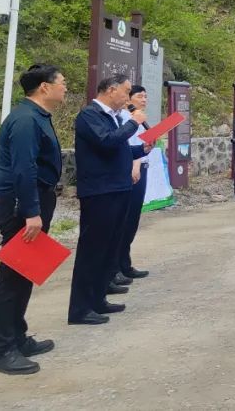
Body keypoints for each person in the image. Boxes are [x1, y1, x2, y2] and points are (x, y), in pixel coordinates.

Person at [0, 64, 66, 375]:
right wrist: (32, 212)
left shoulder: (35, 116)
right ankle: (2, 350)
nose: (65, 86)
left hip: (33, 201)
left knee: (25, 272)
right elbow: (23, 169)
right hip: (21, 206)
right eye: (61, 82)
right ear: (44, 88)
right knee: (12, 278)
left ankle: (17, 337)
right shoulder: (24, 121)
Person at [68, 74, 150, 326]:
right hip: (99, 192)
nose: (128, 98)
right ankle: (80, 308)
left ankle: (98, 298)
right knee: (92, 251)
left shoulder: (111, 117)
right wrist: (134, 123)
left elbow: (118, 149)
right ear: (111, 90)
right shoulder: (90, 115)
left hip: (118, 188)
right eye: (126, 92)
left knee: (109, 247)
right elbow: (106, 142)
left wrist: (140, 150)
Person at [109, 86, 151, 293]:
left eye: (145, 96)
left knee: (132, 220)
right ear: (128, 100)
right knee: (124, 221)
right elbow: (127, 143)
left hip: (141, 165)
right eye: (139, 96)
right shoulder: (125, 118)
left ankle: (125, 263)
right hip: (132, 170)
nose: (143, 99)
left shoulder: (139, 118)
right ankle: (115, 267)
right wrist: (134, 166)